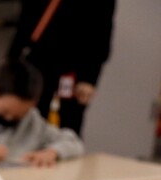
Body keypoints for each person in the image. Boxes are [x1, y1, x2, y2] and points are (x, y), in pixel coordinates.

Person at [8, 0, 116, 136]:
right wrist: (12, 61)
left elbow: (101, 33)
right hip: (37, 60)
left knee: (69, 124)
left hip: (75, 67)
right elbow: (26, 20)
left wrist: (89, 78)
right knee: (29, 120)